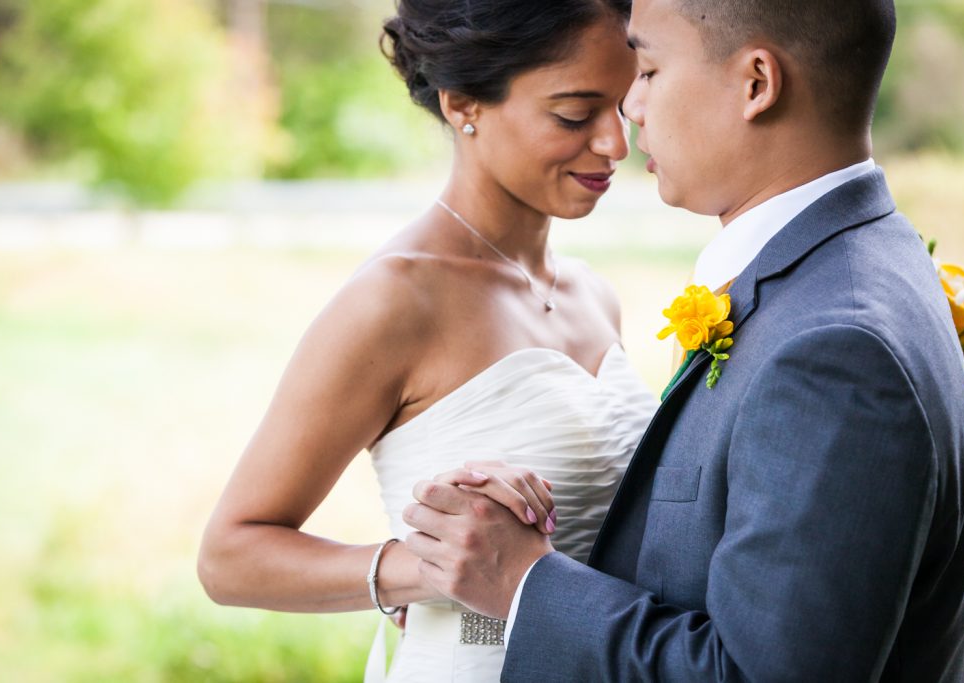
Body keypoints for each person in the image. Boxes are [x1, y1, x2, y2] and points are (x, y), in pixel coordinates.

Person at [403, 0, 964, 680]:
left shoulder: (835, 347)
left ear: (756, 83)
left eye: (646, 70)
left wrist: (524, 580)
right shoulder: (864, 262)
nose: (633, 111)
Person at [197, 1, 660, 680]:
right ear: (463, 104)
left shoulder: (594, 295)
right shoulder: (395, 301)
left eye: (624, 105)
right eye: (574, 115)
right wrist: (422, 568)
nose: (616, 144)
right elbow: (229, 556)